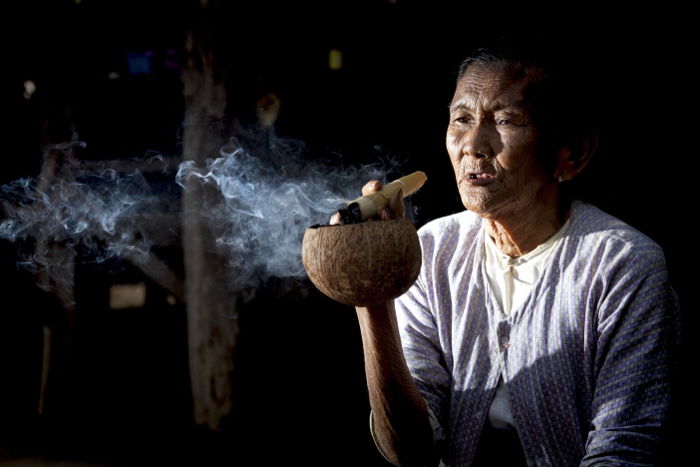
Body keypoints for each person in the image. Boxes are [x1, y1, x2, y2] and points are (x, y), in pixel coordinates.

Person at [341, 47, 680, 466]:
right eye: (461, 119)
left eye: (505, 121)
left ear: (570, 154)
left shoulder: (622, 264)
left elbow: (623, 447)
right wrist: (373, 301)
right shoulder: (431, 251)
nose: (473, 146)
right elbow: (410, 450)